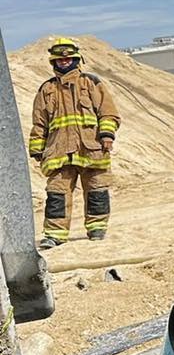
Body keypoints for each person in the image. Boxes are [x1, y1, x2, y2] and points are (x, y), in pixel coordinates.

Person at [28, 37, 120, 247]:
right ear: (54, 62)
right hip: (59, 152)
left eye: (68, 58)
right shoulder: (46, 90)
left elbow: (109, 114)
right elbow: (39, 122)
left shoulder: (91, 83)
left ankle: (97, 230)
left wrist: (106, 135)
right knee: (56, 195)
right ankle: (55, 236)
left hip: (91, 149)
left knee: (96, 190)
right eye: (60, 60)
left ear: (76, 59)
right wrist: (37, 148)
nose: (64, 62)